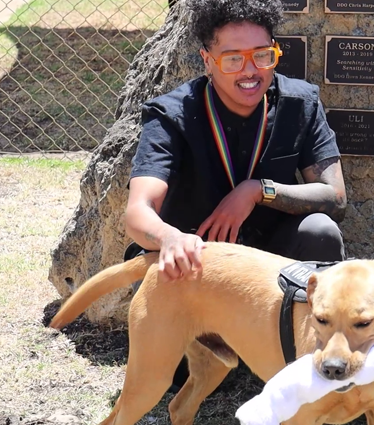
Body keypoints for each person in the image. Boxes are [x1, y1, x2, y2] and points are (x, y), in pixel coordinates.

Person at [122, 0, 347, 391]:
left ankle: (310, 356)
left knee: (320, 231)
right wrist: (171, 238)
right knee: (177, 380)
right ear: (207, 60)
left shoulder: (301, 102)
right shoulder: (171, 115)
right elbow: (139, 211)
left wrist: (258, 191)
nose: (250, 71)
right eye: (232, 59)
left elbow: (335, 197)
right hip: (198, 270)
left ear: (275, 51)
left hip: (273, 268)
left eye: (262, 55)